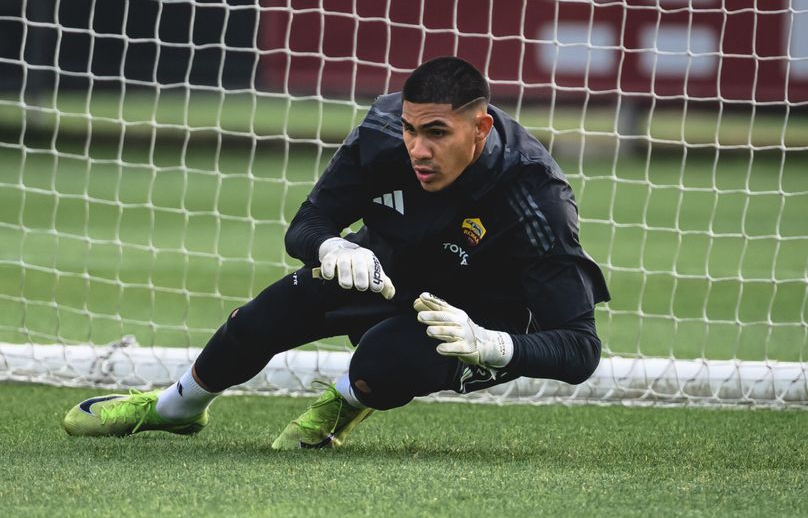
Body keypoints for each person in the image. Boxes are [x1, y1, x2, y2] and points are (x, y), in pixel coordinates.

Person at [63, 56, 610, 449]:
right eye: (411, 129)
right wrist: (330, 245)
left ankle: (347, 400)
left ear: (481, 128)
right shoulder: (380, 136)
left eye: (437, 133)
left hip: (472, 321)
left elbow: (580, 350)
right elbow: (306, 224)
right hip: (389, 267)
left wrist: (492, 345)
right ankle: (175, 409)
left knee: (382, 363)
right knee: (262, 318)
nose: (418, 149)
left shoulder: (536, 198)